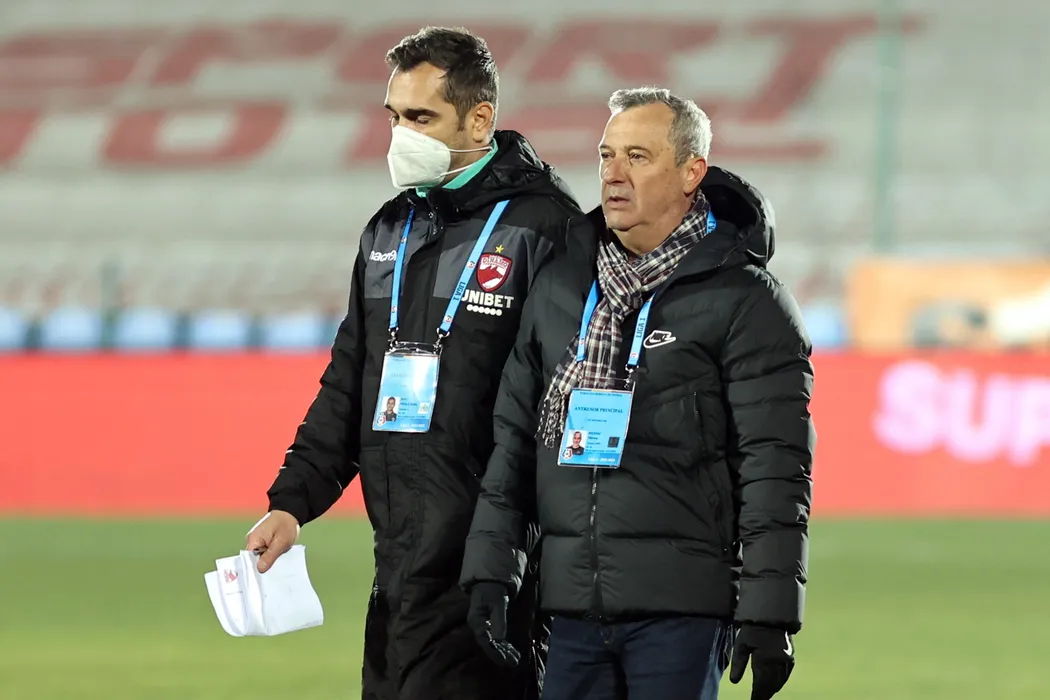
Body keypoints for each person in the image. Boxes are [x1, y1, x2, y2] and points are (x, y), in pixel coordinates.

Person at [245, 26, 582, 700]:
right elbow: (349, 381)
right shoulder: (389, 229)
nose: (402, 135)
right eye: (394, 116)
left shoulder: (546, 228)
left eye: (421, 118)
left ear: (479, 120)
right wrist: (291, 503)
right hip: (399, 566)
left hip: (494, 567)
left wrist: (509, 550)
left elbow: (559, 404)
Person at [459, 87, 815, 700]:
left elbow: (775, 467)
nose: (613, 174)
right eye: (606, 155)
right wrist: (492, 570)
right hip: (569, 609)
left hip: (681, 612)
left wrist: (770, 610)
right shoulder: (561, 286)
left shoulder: (747, 300)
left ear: (691, 173)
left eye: (638, 157)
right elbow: (515, 442)